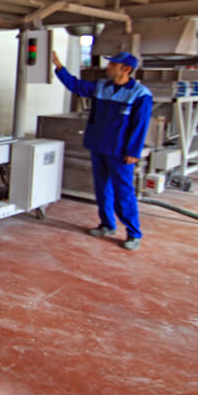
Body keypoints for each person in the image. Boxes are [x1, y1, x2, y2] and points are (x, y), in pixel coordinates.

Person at [52, 49, 153, 250]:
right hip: (98, 146)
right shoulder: (101, 87)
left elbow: (140, 125)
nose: (108, 67)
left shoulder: (140, 94)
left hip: (120, 152)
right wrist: (58, 66)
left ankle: (133, 233)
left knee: (123, 193)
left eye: (112, 65)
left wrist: (133, 152)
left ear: (126, 69)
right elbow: (75, 85)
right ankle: (107, 224)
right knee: (102, 189)